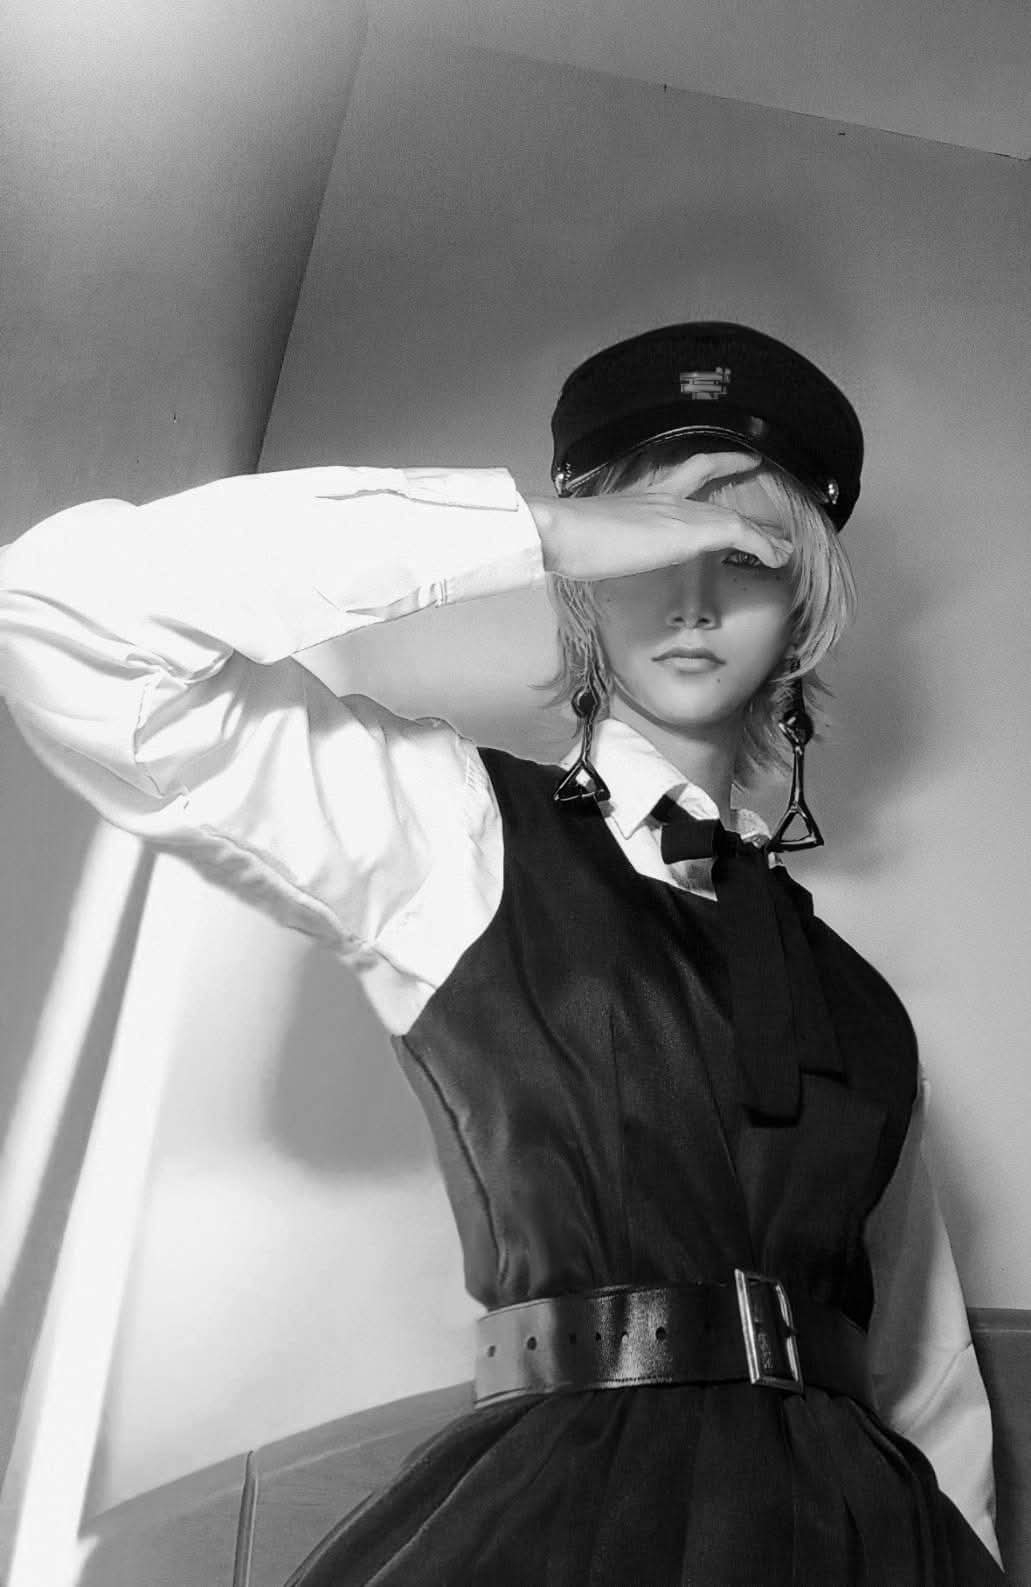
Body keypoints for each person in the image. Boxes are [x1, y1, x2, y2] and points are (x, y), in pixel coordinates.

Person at [0, 321, 1006, 1584]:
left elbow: (922, 1377)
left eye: (743, 552)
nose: (692, 597)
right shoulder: (453, 834)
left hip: (864, 1541)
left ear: (802, 596)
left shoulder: (861, 1008)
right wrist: (540, 530)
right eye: (655, 541)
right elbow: (60, 618)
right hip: (572, 1513)